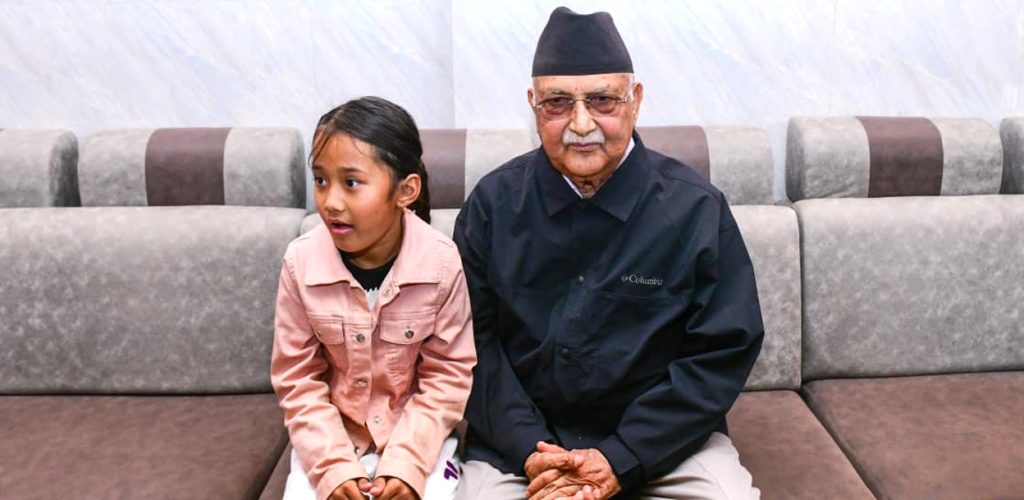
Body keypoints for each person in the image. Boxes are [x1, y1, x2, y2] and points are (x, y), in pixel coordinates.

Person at [452, 7, 763, 500]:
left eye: (602, 100)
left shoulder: (694, 208)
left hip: (663, 445)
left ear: (635, 101)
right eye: (557, 103)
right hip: (520, 446)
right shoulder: (492, 206)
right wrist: (531, 449)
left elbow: (721, 351)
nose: (580, 124)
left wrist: (623, 455)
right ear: (533, 106)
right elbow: (469, 345)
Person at [271, 96, 476, 500]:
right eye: (320, 180)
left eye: (351, 183)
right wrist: (333, 469)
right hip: (331, 440)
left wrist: (405, 465)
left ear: (406, 190)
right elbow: (298, 380)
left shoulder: (441, 262)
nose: (330, 202)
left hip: (419, 440)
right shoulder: (300, 262)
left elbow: (447, 377)